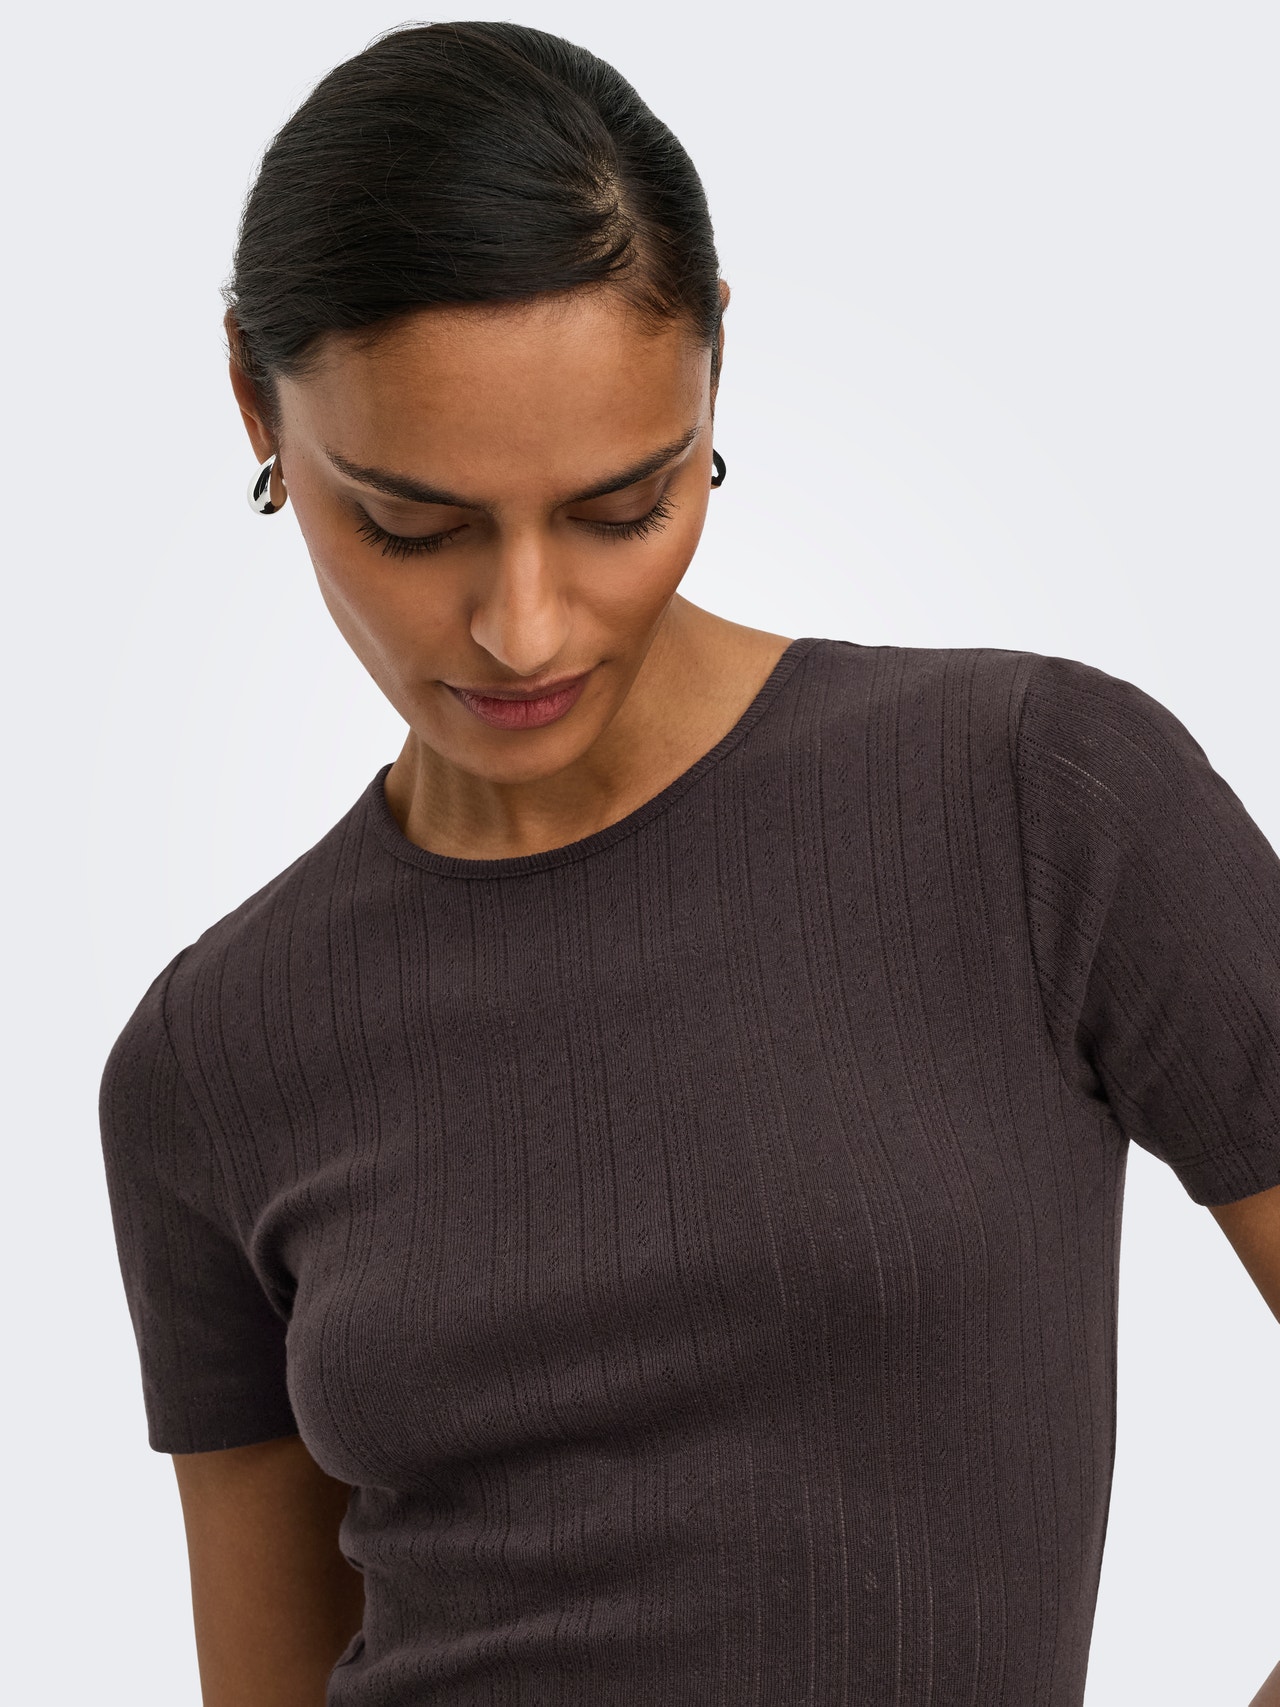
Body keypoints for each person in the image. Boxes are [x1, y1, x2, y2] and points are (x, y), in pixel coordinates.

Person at [97, 21, 1280, 1707]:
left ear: (712, 370)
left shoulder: (1039, 802)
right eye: (414, 527)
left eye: (621, 507)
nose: (523, 628)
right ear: (253, 405)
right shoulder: (210, 1052)